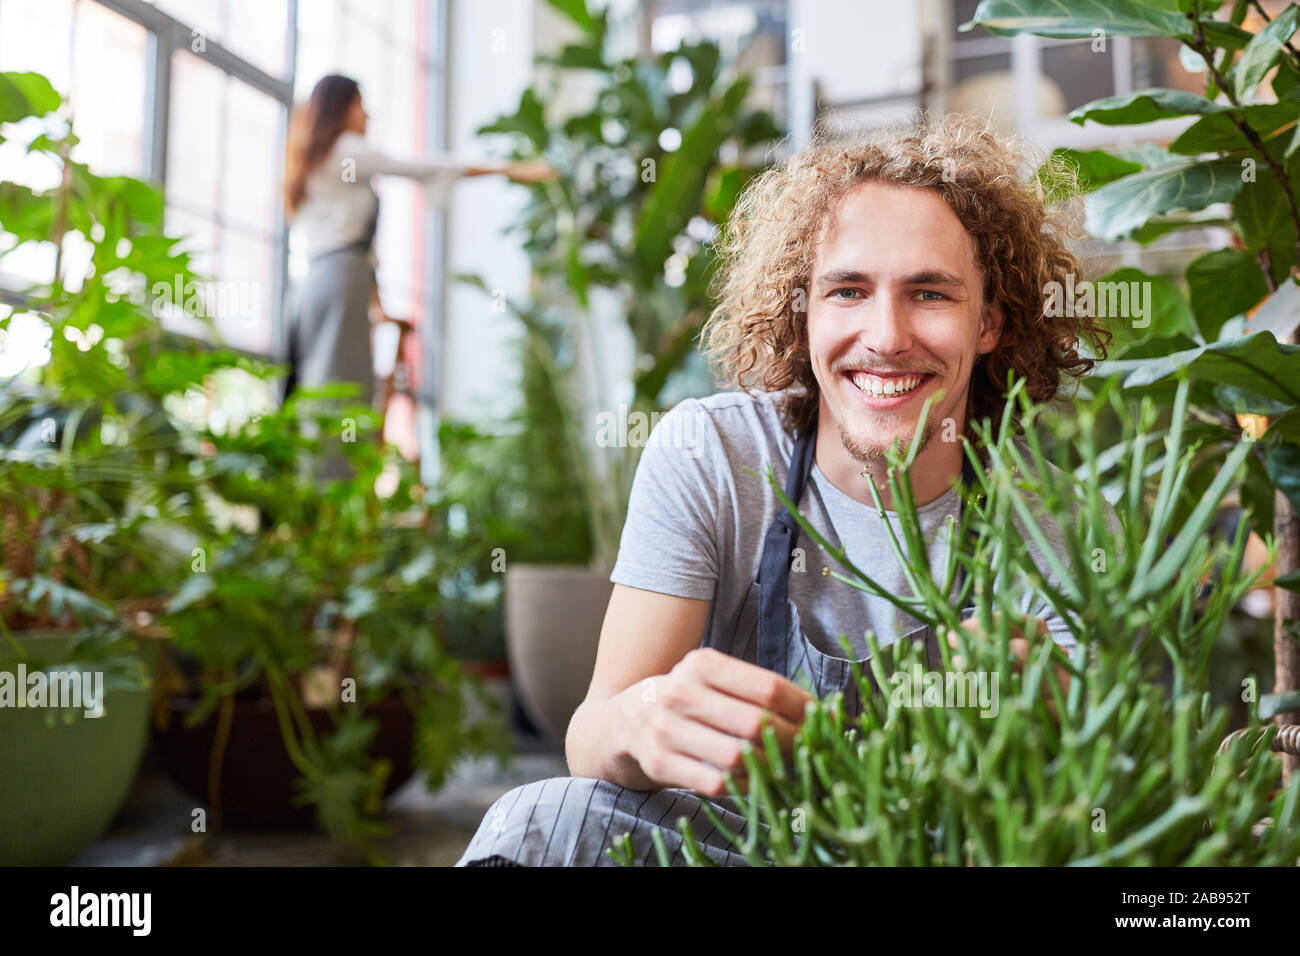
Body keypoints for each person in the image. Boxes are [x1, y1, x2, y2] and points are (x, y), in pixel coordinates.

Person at [456, 115, 1110, 867]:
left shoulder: (1055, 525)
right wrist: (640, 725)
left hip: (932, 849)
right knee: (543, 817)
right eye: (848, 291)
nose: (887, 335)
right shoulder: (715, 453)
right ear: (804, 314)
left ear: (991, 321)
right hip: (727, 847)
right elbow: (589, 737)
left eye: (929, 293)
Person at [278, 74, 551, 416]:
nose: (367, 115)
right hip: (341, 279)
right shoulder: (347, 151)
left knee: (321, 382)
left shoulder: (314, 156)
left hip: (320, 281)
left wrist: (376, 302)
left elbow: (356, 240)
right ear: (342, 108)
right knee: (341, 389)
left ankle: (323, 466)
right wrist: (507, 169)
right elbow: (421, 167)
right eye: (360, 105)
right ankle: (336, 469)